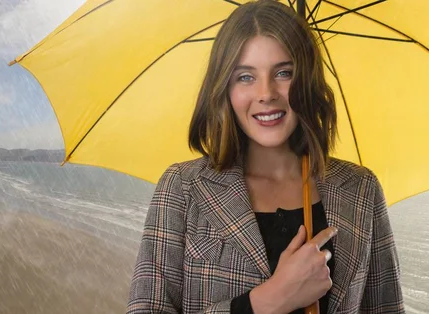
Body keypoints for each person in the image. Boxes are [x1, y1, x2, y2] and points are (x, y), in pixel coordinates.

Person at [126, 1, 404, 313]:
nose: (266, 93)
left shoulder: (360, 189)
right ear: (224, 88)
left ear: (307, 81)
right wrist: (269, 300)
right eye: (245, 77)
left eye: (284, 72)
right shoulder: (183, 189)